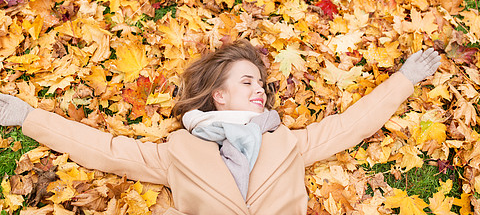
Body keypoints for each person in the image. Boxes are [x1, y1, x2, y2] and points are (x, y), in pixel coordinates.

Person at [0, 39, 441, 215]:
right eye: (246, 82)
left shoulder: (288, 143)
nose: (259, 91)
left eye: (261, 84)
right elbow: (107, 150)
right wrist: (28, 117)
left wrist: (405, 78)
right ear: (219, 95)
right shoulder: (177, 152)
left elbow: (352, 125)